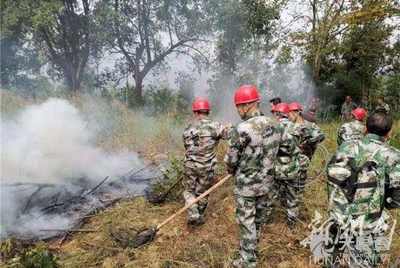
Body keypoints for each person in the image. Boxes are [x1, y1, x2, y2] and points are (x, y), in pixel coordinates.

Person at [325, 111, 400, 267]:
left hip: (339, 213)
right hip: (366, 221)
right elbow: (396, 197)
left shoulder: (346, 146)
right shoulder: (393, 155)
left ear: (365, 129)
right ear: (389, 133)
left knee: (333, 252)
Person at [225, 85, 283, 268]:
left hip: (246, 186)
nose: (238, 111)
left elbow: (231, 159)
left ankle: (248, 260)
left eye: (238, 107)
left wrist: (231, 169)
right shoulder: (276, 124)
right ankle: (251, 247)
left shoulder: (242, 128)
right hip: (267, 183)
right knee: (258, 219)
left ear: (246, 105)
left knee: (246, 221)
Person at [182, 97, 228, 226]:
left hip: (190, 165)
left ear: (196, 112)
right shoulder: (215, 126)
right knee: (203, 191)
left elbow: (187, 147)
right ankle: (198, 214)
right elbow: (230, 136)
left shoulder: (188, 128)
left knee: (189, 191)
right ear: (208, 112)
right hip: (207, 166)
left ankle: (193, 213)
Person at [288, 102, 325, 201]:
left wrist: (308, 142)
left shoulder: (309, 125)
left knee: (299, 188)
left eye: (290, 114)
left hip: (303, 161)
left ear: (296, 113)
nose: (289, 116)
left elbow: (321, 136)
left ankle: (297, 205)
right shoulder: (290, 126)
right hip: (291, 163)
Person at [274, 102, 302, 227]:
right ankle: (292, 223)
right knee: (292, 197)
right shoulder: (297, 127)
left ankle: (268, 220)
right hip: (292, 168)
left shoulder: (273, 127)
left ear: (277, 114)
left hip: (277, 168)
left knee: (272, 195)